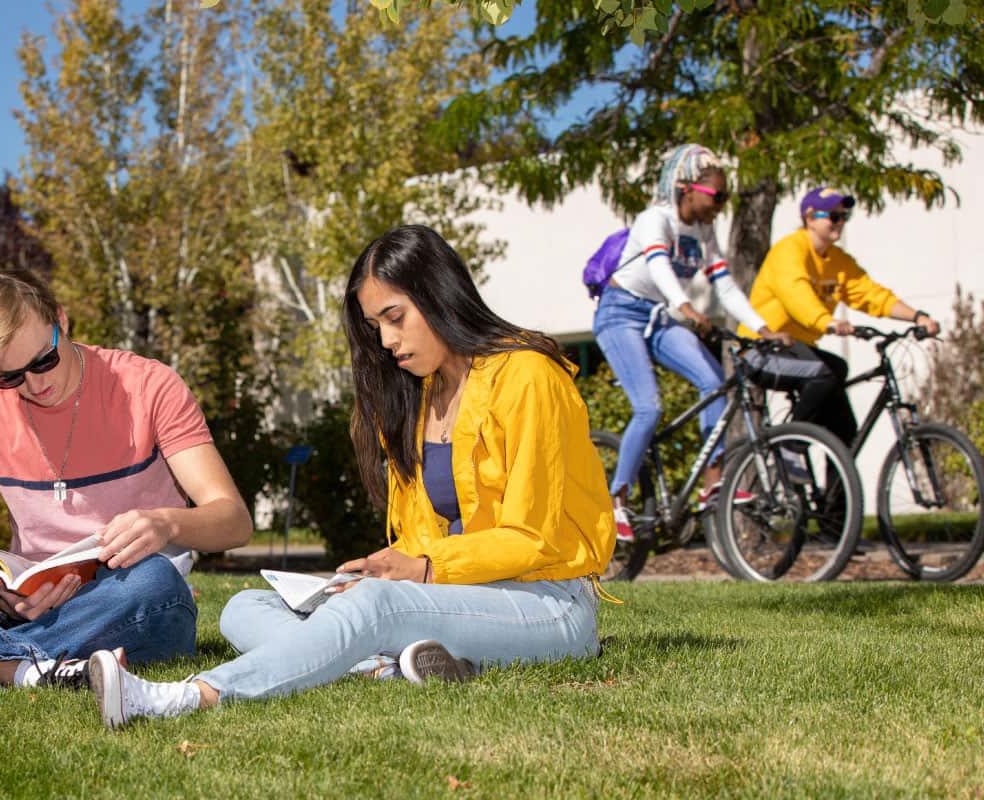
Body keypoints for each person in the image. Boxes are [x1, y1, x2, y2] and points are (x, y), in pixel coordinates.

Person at [84, 224, 616, 729]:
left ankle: (182, 696)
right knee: (247, 608)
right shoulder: (417, 397)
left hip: (548, 604)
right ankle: (385, 667)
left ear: (439, 294)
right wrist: (378, 571)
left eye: (395, 316)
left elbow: (532, 537)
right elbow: (420, 538)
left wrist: (423, 570)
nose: (385, 340)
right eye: (374, 326)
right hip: (457, 596)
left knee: (375, 606)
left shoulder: (527, 375)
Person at [0, 269, 252, 698]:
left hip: (131, 606)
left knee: (156, 580)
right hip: (27, 614)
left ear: (61, 320)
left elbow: (234, 521)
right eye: (10, 378)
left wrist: (167, 524)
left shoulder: (149, 385)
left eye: (44, 360)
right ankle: (39, 670)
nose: (36, 385)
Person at [593, 144, 791, 542]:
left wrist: (762, 328)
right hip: (620, 313)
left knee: (715, 382)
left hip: (658, 317)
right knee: (649, 408)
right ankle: (616, 500)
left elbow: (726, 286)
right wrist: (684, 304)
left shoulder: (703, 232)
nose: (722, 204)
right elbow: (658, 265)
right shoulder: (655, 219)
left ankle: (713, 484)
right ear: (687, 188)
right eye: (717, 195)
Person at [737, 187, 941, 446]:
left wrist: (917, 317)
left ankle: (839, 482)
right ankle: (789, 446)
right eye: (833, 216)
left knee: (843, 424)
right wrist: (827, 322)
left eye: (845, 216)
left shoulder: (838, 260)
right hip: (760, 350)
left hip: (797, 350)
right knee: (823, 374)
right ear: (810, 218)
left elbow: (870, 294)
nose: (840, 222)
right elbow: (795, 293)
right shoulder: (789, 250)